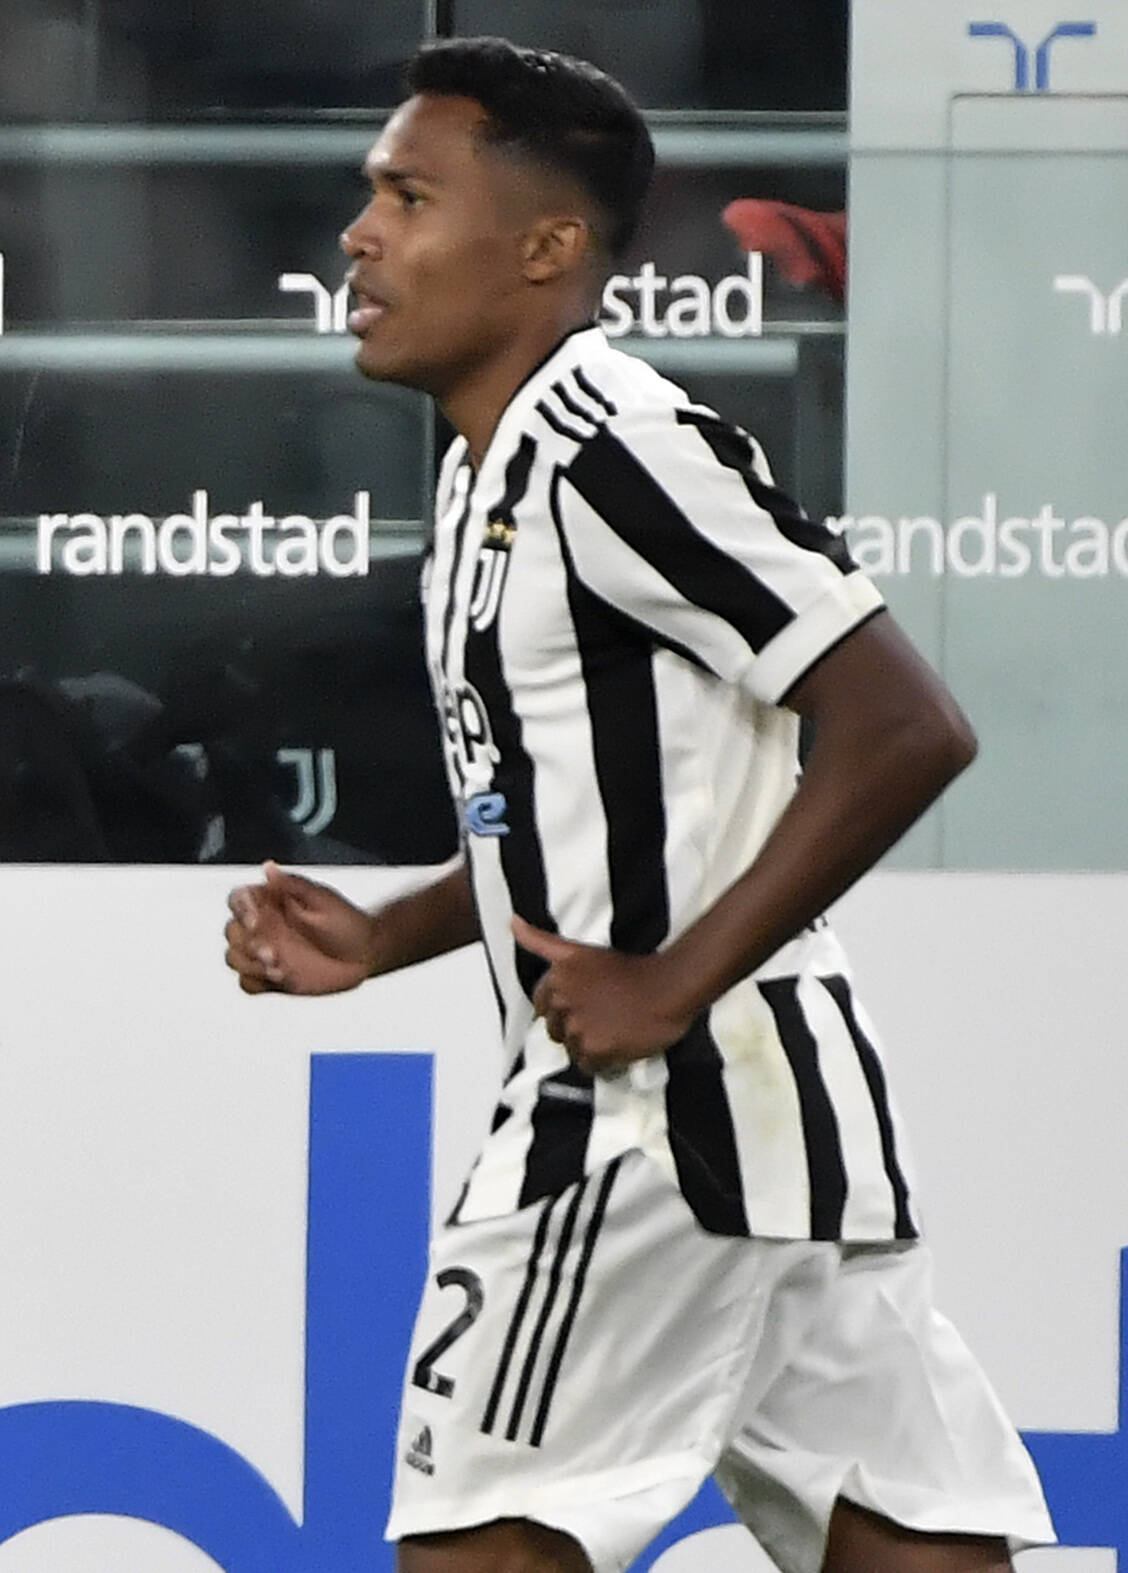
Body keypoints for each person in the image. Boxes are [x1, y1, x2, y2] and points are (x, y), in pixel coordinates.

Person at [223, 39, 1051, 1573]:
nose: (360, 232)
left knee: (474, 1547)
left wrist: (670, 982)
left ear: (546, 248)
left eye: (409, 197)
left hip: (650, 1119)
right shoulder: (489, 469)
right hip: (776, 1119)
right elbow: (587, 809)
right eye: (371, 194)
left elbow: (905, 723)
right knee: (916, 1553)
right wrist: (391, 932)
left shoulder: (614, 450)